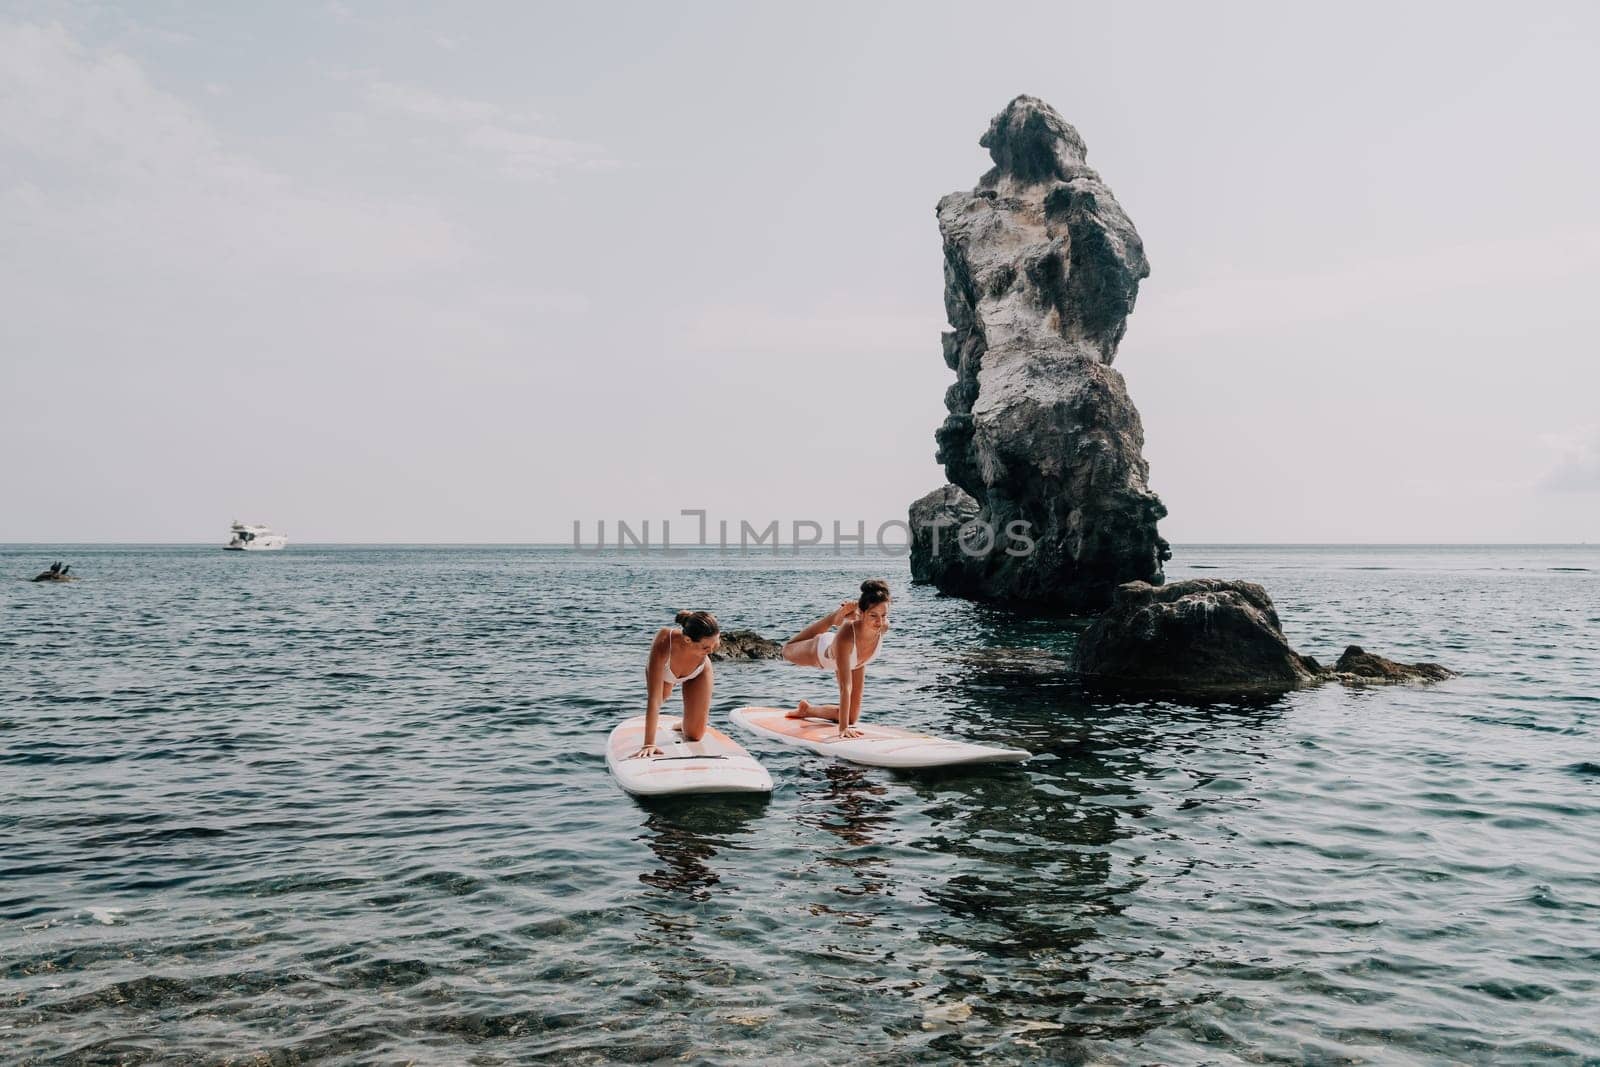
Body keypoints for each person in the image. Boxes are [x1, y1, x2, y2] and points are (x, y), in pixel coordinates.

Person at [780, 579, 891, 739]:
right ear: (863, 613)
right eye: (873, 615)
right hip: (823, 651)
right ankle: (833, 618)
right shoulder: (846, 634)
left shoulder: (883, 626)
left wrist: (856, 612)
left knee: (852, 717)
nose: (879, 621)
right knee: (786, 650)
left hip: (858, 661)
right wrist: (843, 729)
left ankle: (807, 710)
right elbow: (845, 687)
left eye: (884, 615)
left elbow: (875, 618)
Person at [633, 610, 720, 759]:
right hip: (667, 671)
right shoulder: (664, 641)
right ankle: (671, 691)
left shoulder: (707, 647)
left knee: (695, 735)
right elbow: (653, 699)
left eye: (716, 643)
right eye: (705, 648)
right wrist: (649, 744)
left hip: (697, 672)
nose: (711, 651)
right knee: (662, 696)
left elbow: (709, 644)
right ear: (687, 640)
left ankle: (683, 723)